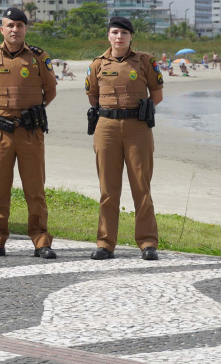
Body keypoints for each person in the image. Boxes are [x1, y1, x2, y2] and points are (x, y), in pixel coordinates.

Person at [0, 7, 58, 259]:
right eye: (10, 25)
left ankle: (41, 241)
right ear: (2, 29)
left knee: (35, 190)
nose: (15, 30)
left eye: (19, 26)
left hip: (30, 132)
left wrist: (33, 113)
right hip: (0, 132)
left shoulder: (38, 58)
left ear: (25, 30)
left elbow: (50, 91)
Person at [86, 16, 162, 261]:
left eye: (124, 33)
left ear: (131, 37)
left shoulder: (145, 61)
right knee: (108, 189)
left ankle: (148, 243)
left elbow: (157, 94)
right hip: (106, 127)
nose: (119, 37)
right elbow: (92, 97)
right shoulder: (97, 64)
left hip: (137, 128)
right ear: (108, 35)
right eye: (115, 32)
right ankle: (105, 244)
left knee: (142, 187)